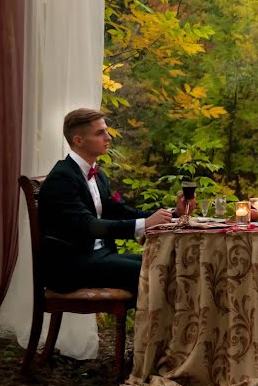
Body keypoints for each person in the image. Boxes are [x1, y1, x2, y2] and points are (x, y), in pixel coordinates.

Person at [38, 108, 191, 295]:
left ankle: (158, 324)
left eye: (106, 131)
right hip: (70, 266)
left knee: (164, 263)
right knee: (153, 271)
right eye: (100, 133)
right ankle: (153, 324)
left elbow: (120, 212)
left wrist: (173, 214)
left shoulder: (97, 174)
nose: (108, 137)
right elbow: (90, 226)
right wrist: (144, 224)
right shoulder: (62, 178)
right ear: (79, 140)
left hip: (98, 256)